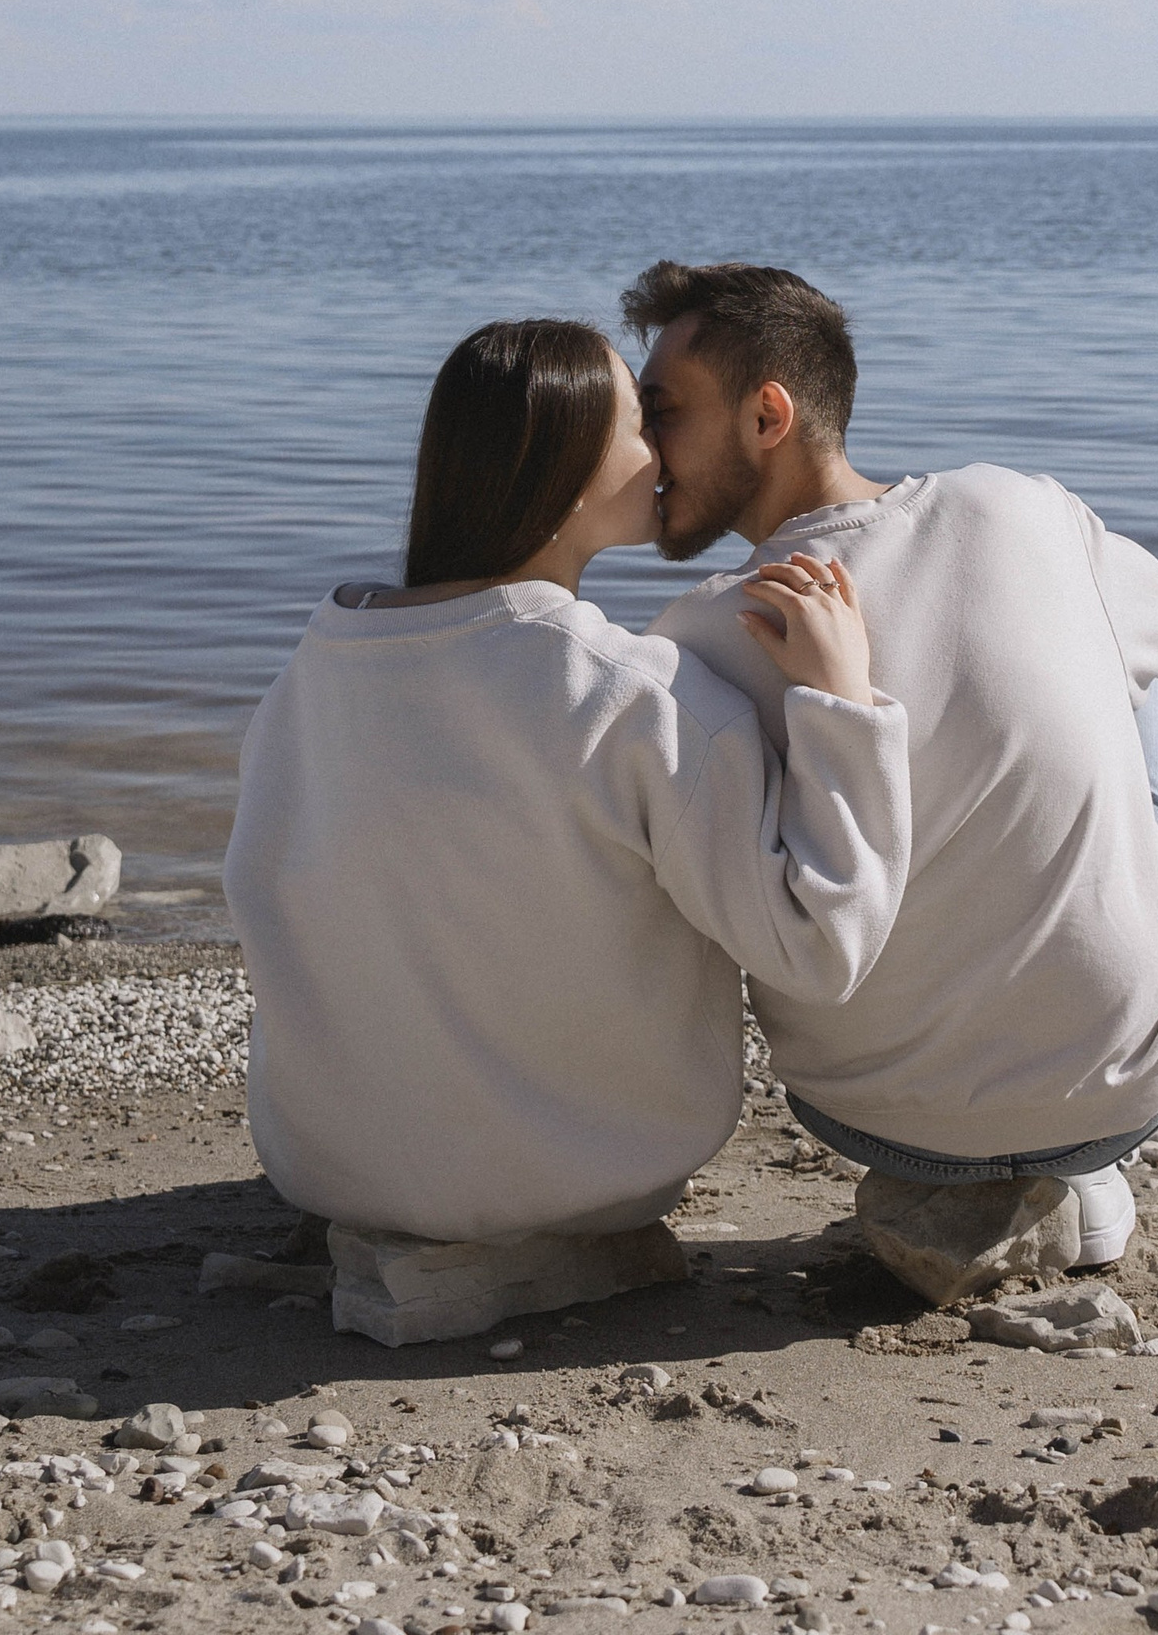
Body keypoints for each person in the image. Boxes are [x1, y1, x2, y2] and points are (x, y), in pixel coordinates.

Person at [223, 317, 910, 1247]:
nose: (662, 453)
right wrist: (844, 708)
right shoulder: (632, 693)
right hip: (584, 1169)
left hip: (326, 1164)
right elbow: (820, 949)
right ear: (569, 463)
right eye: (640, 424)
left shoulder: (318, 667)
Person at [627, 260, 1158, 1270]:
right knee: (1146, 699)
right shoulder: (1013, 506)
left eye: (662, 410)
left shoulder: (692, 638)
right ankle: (1068, 1155)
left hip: (865, 1109)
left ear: (767, 414)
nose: (641, 448)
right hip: (1125, 1081)